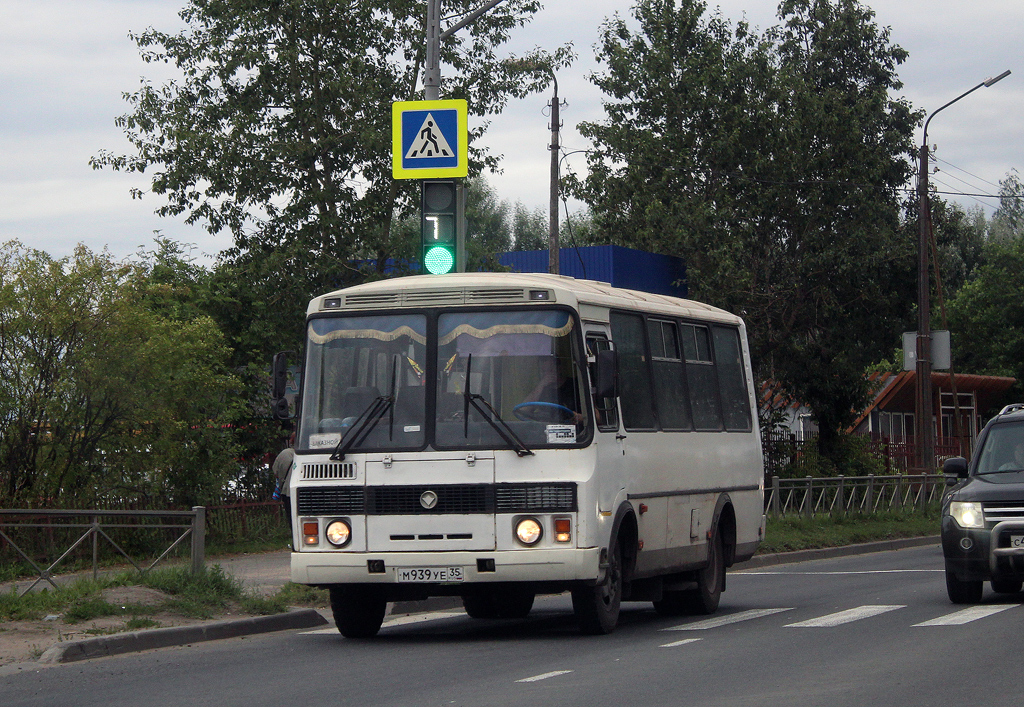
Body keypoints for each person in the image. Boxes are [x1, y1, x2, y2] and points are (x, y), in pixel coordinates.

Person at [273, 441, 296, 542]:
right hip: (305, 493)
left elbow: (275, 472)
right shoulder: (310, 454)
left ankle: (295, 540)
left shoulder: (284, 454)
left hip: (287, 492)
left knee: (291, 518)